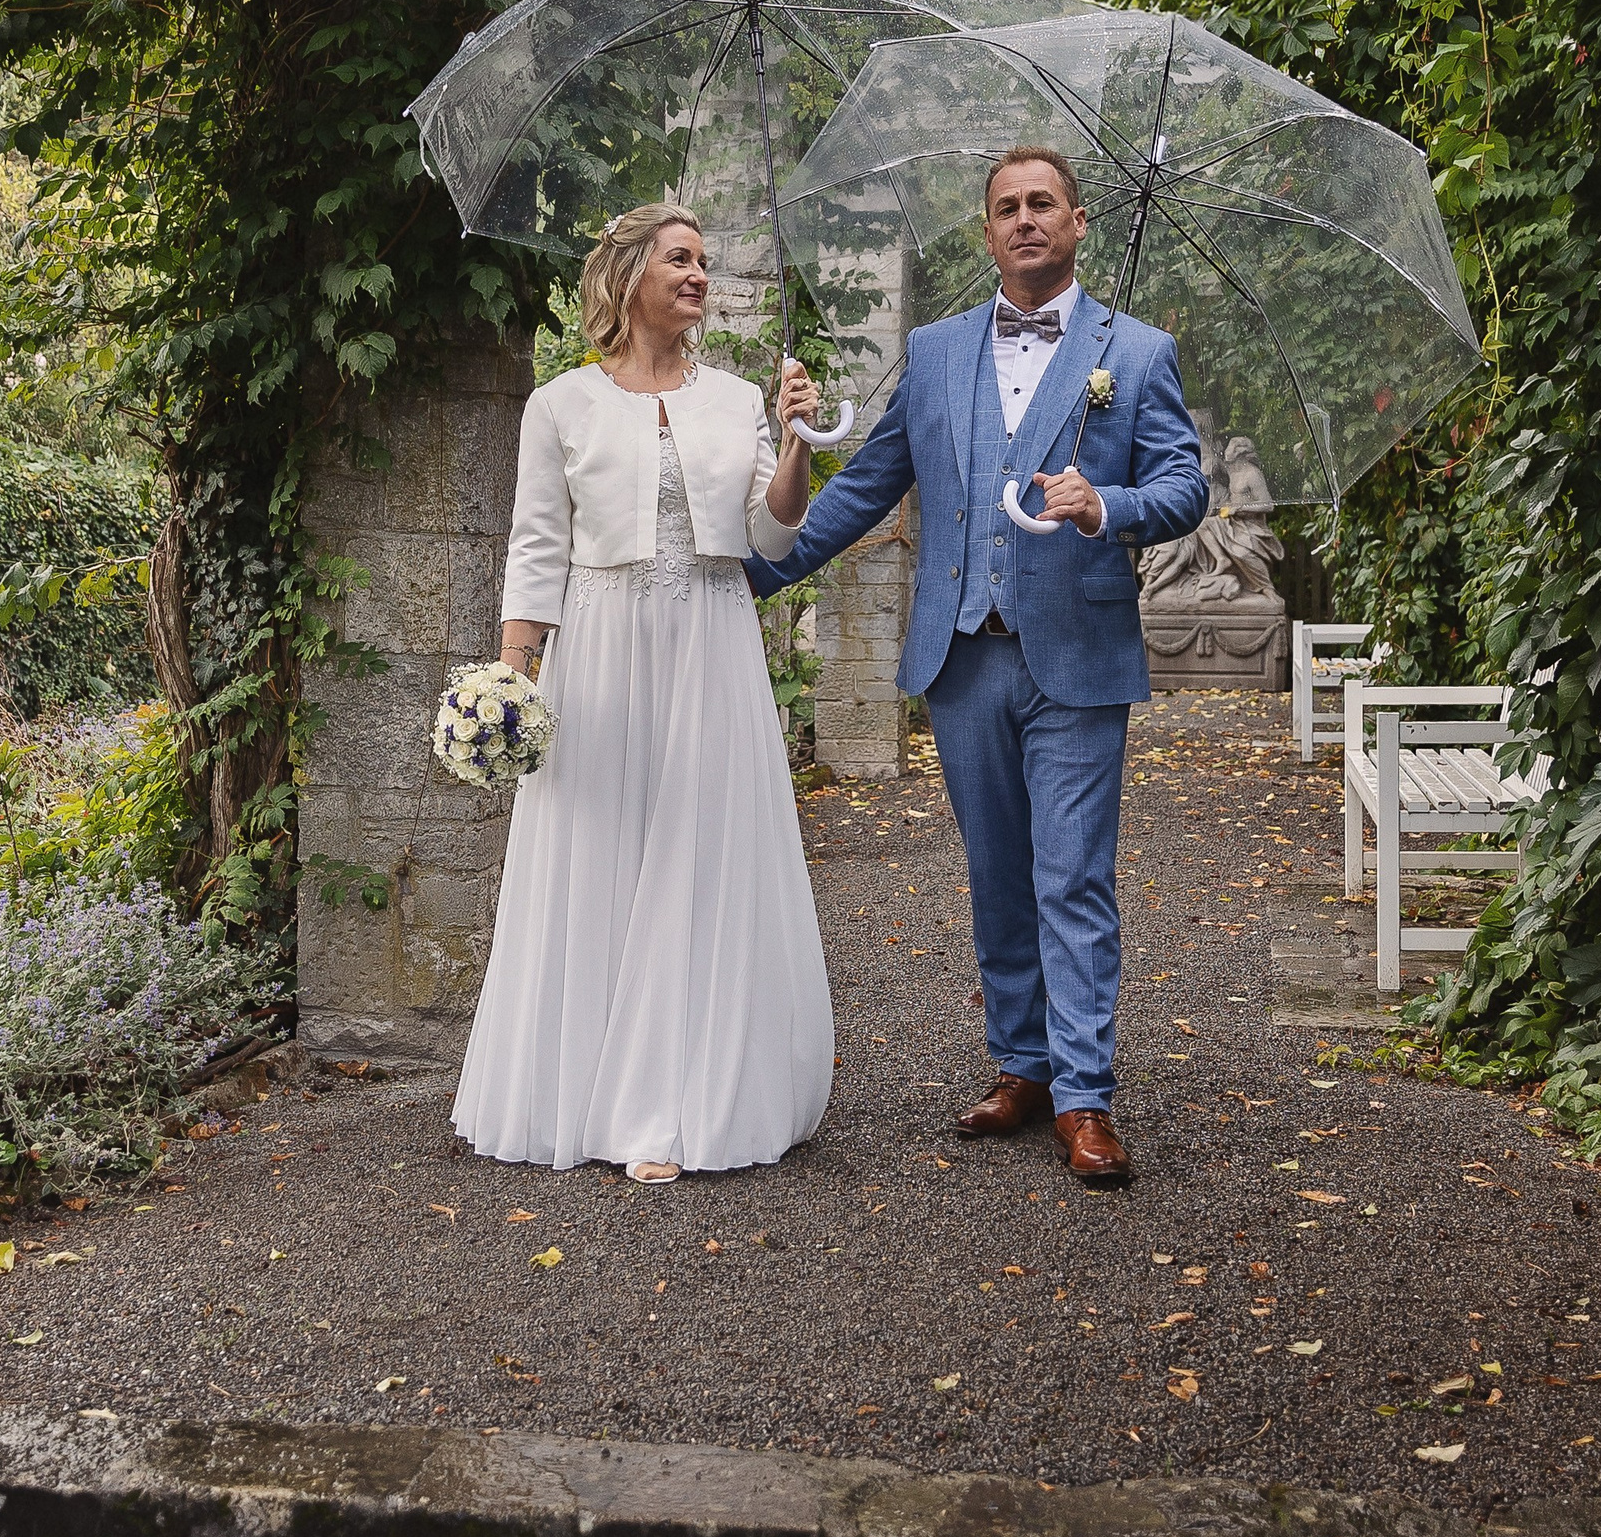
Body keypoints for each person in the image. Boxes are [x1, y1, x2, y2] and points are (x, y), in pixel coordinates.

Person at [747, 149, 1207, 1187]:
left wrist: (1110, 504)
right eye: (1006, 208)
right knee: (997, 875)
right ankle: (1025, 1064)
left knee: (1072, 876)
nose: (1024, 219)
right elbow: (867, 484)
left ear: (1078, 222)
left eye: (1042, 202)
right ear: (986, 232)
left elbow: (1184, 484)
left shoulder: (1133, 353)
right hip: (961, 657)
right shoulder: (937, 349)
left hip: (1078, 656)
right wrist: (750, 574)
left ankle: (1085, 1097)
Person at [452, 202, 835, 1182]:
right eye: (680, 258)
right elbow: (536, 545)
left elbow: (774, 534)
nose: (699, 274)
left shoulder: (736, 400)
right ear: (627, 276)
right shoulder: (562, 406)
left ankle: (673, 1103)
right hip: (603, 647)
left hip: (709, 639)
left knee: (697, 859)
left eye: (705, 261)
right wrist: (513, 674)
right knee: (602, 850)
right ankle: (585, 1092)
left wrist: (795, 439)